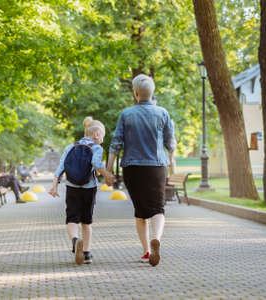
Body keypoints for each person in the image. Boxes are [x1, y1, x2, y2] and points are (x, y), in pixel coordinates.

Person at [107, 74, 176, 267]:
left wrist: (108, 170)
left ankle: (146, 251)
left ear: (136, 94)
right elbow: (170, 142)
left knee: (140, 211)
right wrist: (171, 163)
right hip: (156, 166)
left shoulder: (126, 114)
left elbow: (116, 143)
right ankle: (157, 238)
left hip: (132, 168)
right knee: (158, 208)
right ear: (152, 93)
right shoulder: (162, 113)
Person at [49, 117, 115, 265]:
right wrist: (107, 176)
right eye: (102, 137)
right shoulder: (97, 148)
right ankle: (86, 253)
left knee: (71, 218)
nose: (102, 140)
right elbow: (97, 164)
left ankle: (74, 240)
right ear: (97, 134)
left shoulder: (70, 146)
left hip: (71, 187)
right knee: (86, 221)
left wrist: (54, 186)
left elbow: (60, 168)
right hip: (89, 188)